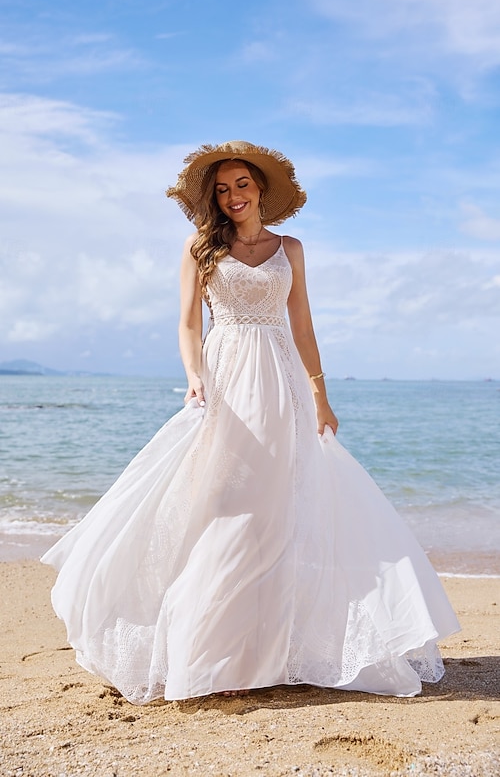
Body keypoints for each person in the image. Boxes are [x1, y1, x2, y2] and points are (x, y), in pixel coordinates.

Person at [42, 140, 459, 705]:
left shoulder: (291, 248)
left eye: (242, 184)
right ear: (214, 198)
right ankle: (208, 654)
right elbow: (189, 323)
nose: (233, 195)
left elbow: (304, 327)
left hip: (282, 383)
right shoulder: (200, 248)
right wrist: (194, 376)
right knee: (221, 509)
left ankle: (266, 653)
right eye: (222, 188)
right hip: (227, 380)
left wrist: (321, 394)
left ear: (260, 189)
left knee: (276, 516)